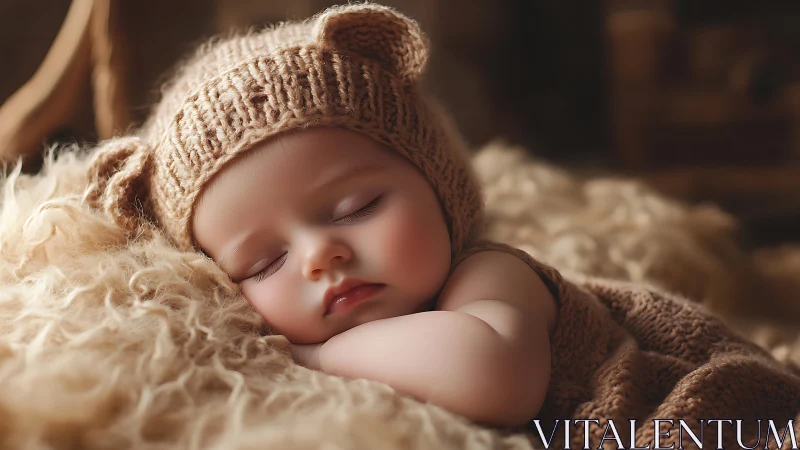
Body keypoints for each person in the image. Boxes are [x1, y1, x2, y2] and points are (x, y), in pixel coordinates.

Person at [86, 3, 800, 448]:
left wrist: (307, 357)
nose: (320, 256)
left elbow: (492, 377)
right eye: (263, 263)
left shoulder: (490, 274)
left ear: (439, 187)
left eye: (355, 209)